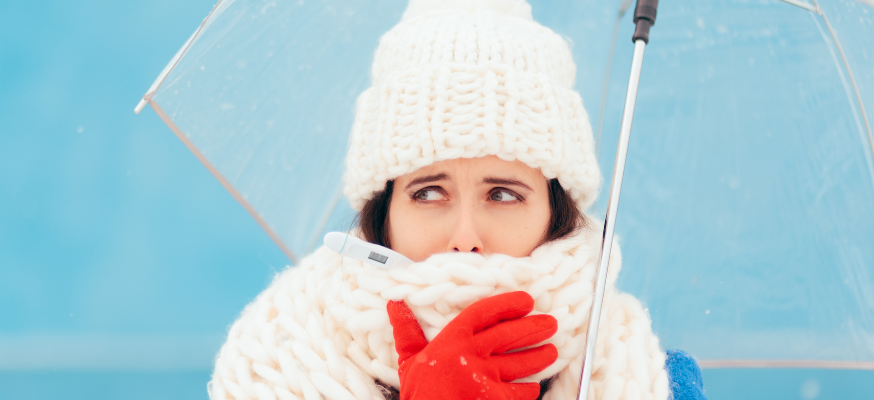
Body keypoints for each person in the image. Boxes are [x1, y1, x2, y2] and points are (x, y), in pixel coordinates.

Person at [208, 0, 707, 399]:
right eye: (428, 192)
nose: (465, 238)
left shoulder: (650, 383)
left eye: (504, 194)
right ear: (382, 213)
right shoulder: (277, 364)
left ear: (557, 214)